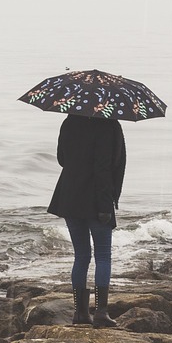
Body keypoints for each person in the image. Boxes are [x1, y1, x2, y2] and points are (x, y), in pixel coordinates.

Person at [47, 113, 126, 327]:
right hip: (96, 199)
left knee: (81, 255)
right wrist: (104, 205)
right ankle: (101, 313)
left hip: (70, 196)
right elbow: (105, 167)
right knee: (103, 255)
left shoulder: (70, 121)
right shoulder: (109, 126)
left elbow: (62, 159)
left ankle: (80, 313)